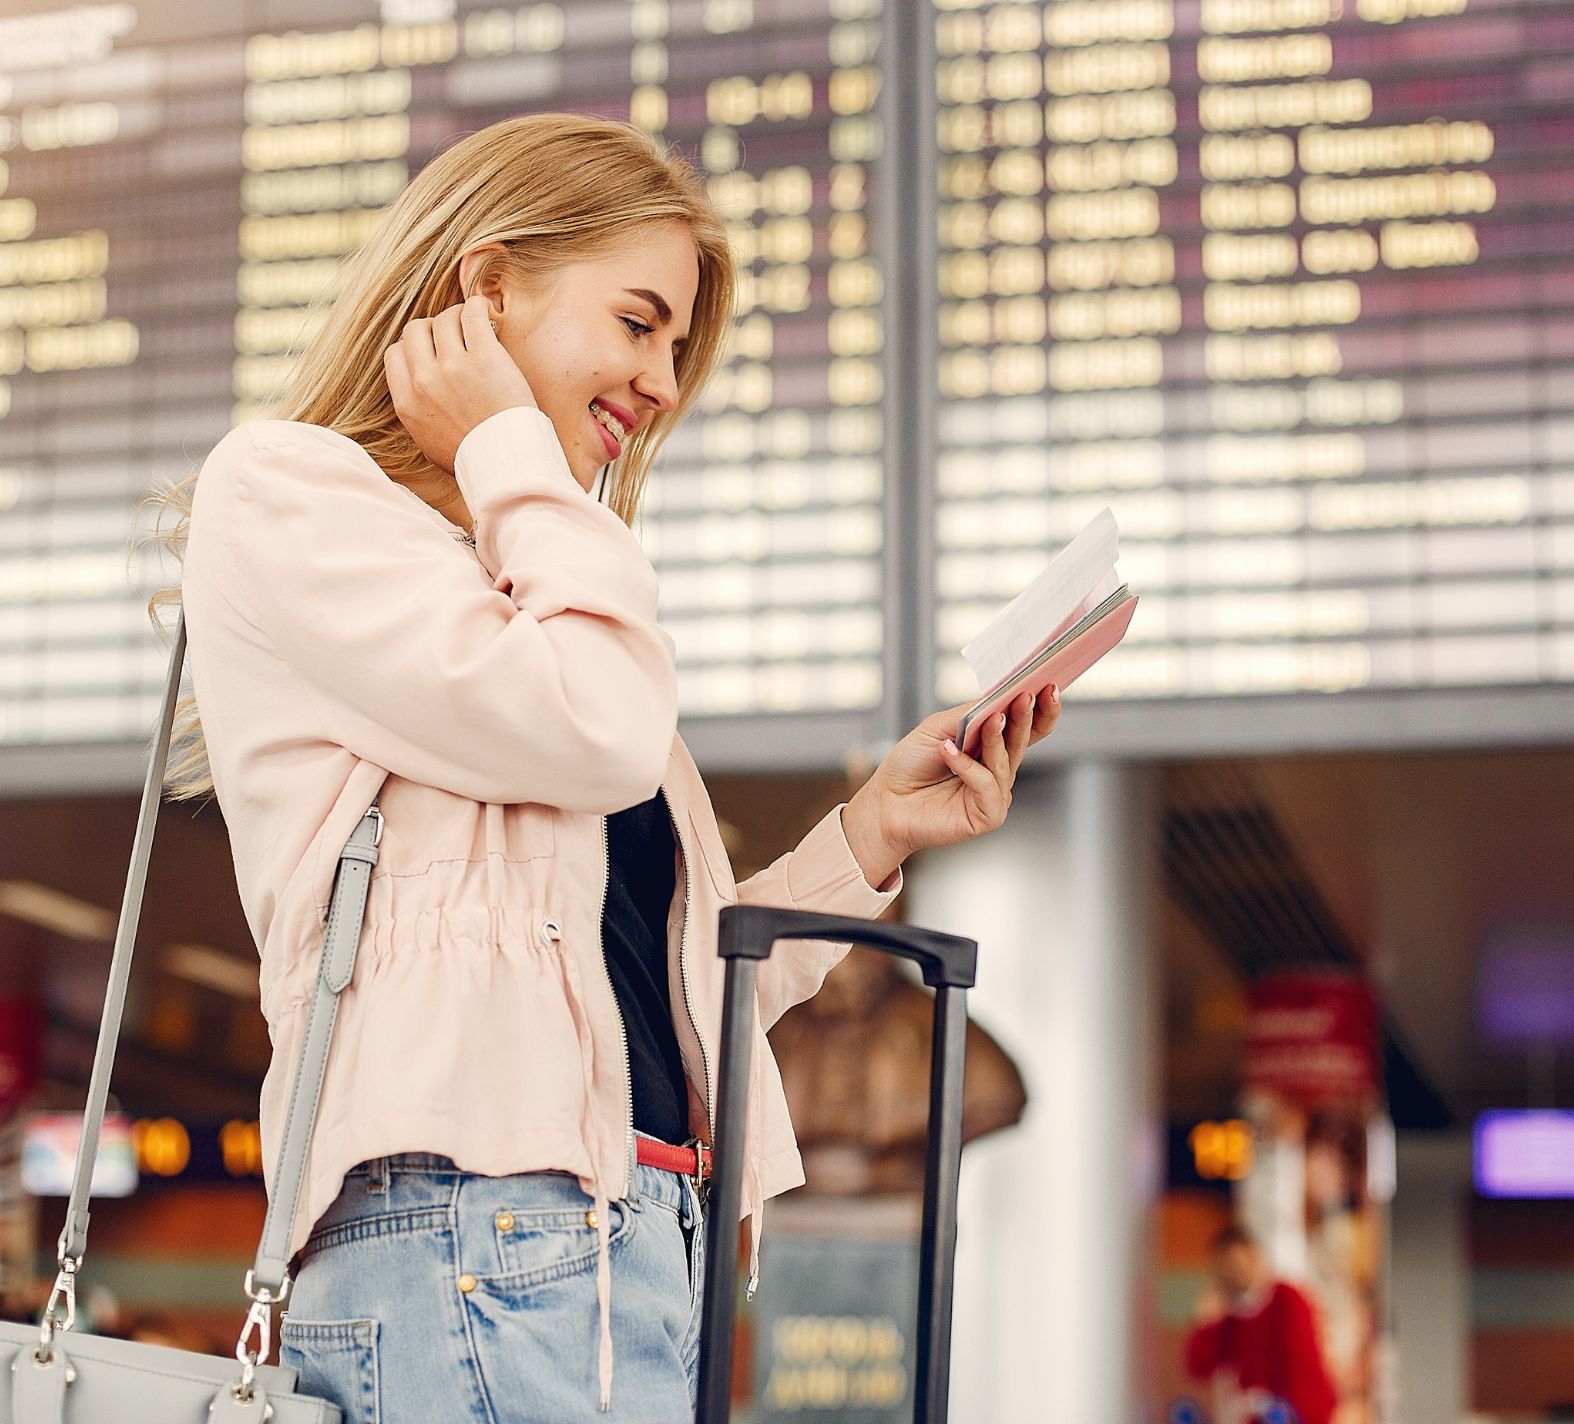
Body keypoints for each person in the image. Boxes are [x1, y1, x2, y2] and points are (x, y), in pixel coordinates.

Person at [150, 113, 1061, 1423]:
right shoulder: (293, 491)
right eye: (637, 323)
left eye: (677, 347)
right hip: (473, 1230)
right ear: (488, 285)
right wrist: (514, 457)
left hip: (626, 1240)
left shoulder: (522, 587)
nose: (661, 380)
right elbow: (598, 727)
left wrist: (867, 840)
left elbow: (672, 996)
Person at [1184, 1225, 1339, 1424]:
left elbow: (1301, 1370)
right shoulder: (1229, 1320)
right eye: (1228, 1267)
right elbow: (1198, 1367)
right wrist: (1205, 1323)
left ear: (1255, 1256)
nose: (1235, 1271)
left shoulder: (1287, 1298)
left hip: (1303, 1415)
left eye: (1239, 1262)